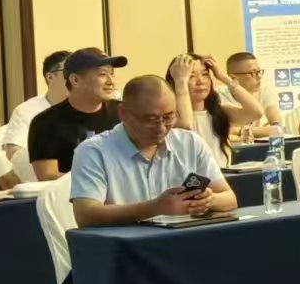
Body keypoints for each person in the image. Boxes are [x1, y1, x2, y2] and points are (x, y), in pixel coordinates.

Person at [67, 75, 236, 226]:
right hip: (126, 246)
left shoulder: (190, 143)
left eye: (168, 117)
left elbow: (229, 199)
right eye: (150, 119)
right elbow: (85, 214)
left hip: (182, 240)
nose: (161, 128)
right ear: (123, 113)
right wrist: (154, 208)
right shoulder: (94, 151)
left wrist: (208, 200)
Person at [28, 48, 125, 180]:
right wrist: (101, 179)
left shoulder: (124, 113)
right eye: (102, 74)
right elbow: (48, 176)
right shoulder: (45, 123)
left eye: (111, 74)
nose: (111, 81)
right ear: (75, 80)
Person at [169, 53, 263, 158]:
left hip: (223, 168)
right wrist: (181, 82)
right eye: (191, 76)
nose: (200, 81)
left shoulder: (220, 112)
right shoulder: (169, 118)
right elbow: (185, 128)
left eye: (205, 74)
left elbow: (256, 112)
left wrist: (223, 77)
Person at [3, 49, 73, 168]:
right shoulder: (27, 111)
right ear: (50, 77)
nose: (75, 77)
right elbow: (13, 152)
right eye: (68, 72)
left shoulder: (89, 107)